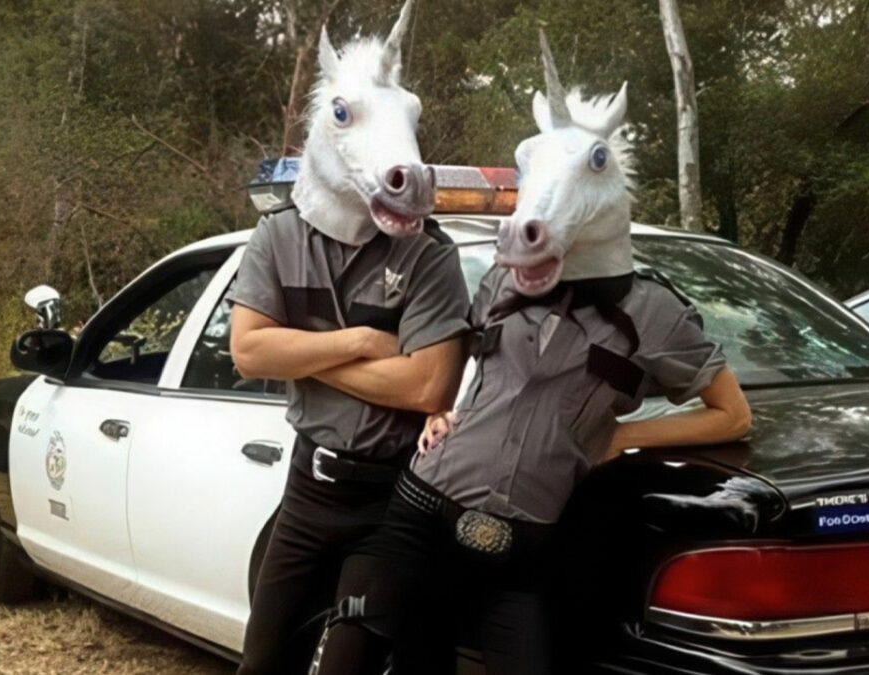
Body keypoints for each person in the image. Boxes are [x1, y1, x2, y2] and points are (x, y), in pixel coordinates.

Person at [311, 31, 752, 675]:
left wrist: (626, 435)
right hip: (423, 513)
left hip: (525, 550)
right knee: (360, 657)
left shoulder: (654, 314)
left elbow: (732, 415)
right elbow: (465, 369)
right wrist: (441, 409)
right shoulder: (502, 280)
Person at [229, 3, 470, 673]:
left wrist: (298, 353)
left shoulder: (429, 255)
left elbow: (429, 385)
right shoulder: (278, 236)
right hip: (308, 492)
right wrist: (362, 341)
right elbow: (247, 352)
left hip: (391, 501)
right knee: (262, 663)